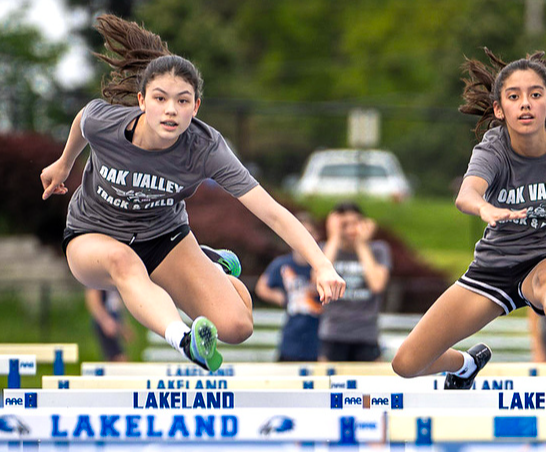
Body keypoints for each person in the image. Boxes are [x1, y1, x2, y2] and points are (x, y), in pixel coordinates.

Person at [39, 15, 345, 372]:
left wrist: (322, 265)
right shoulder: (105, 123)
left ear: (195, 107)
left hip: (162, 236)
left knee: (236, 327)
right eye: (160, 99)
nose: (171, 110)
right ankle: (185, 341)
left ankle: (211, 264)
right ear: (141, 100)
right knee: (123, 262)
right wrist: (63, 164)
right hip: (93, 235)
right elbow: (81, 120)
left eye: (183, 101)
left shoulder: (205, 148)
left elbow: (272, 212)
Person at [391, 49, 546, 389]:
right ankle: (467, 364)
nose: (525, 103)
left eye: (535, 95)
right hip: (494, 267)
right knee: (406, 363)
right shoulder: (493, 149)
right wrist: (484, 207)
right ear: (500, 109)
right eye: (514, 96)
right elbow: (467, 193)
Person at [318, 202, 392, 362]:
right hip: (333, 333)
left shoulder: (378, 250)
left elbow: (377, 284)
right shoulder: (326, 249)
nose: (351, 229)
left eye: (356, 222)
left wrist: (361, 244)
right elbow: (315, 281)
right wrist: (334, 237)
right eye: (345, 224)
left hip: (366, 334)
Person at [255, 212, 324, 362]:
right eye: (300, 233)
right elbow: (262, 287)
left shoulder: (324, 264)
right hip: (292, 336)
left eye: (310, 233)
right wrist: (280, 297)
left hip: (320, 336)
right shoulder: (282, 264)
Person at [85, 288, 132, 362]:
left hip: (115, 318)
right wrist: (105, 321)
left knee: (120, 357)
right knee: (118, 358)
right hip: (105, 320)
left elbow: (118, 305)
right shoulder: (97, 280)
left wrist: (124, 326)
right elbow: (93, 301)